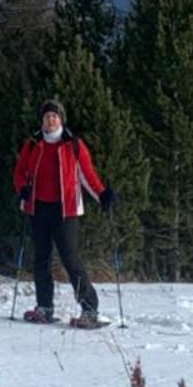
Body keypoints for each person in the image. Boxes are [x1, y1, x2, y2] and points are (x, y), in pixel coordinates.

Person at [12, 99, 113, 327]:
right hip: (38, 207)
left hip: (65, 209)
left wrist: (102, 195)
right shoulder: (33, 143)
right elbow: (20, 172)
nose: (51, 120)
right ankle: (45, 307)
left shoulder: (72, 144)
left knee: (70, 258)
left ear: (61, 119)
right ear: (42, 120)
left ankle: (89, 308)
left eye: (55, 116)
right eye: (47, 116)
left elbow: (87, 175)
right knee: (41, 258)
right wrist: (23, 190)